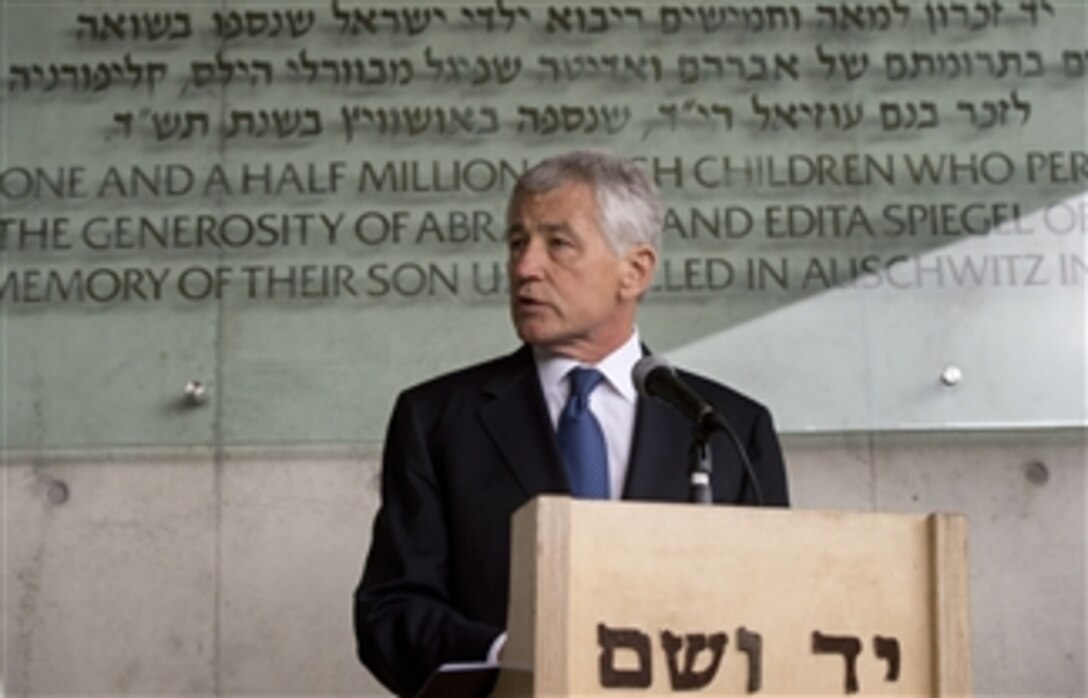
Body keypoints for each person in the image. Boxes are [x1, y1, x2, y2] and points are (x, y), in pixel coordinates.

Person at [353, 150, 789, 696]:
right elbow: (391, 611)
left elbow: (774, 620)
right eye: (517, 244)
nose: (525, 267)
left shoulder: (727, 428)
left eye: (557, 244)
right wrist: (504, 656)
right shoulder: (438, 420)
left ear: (634, 270)